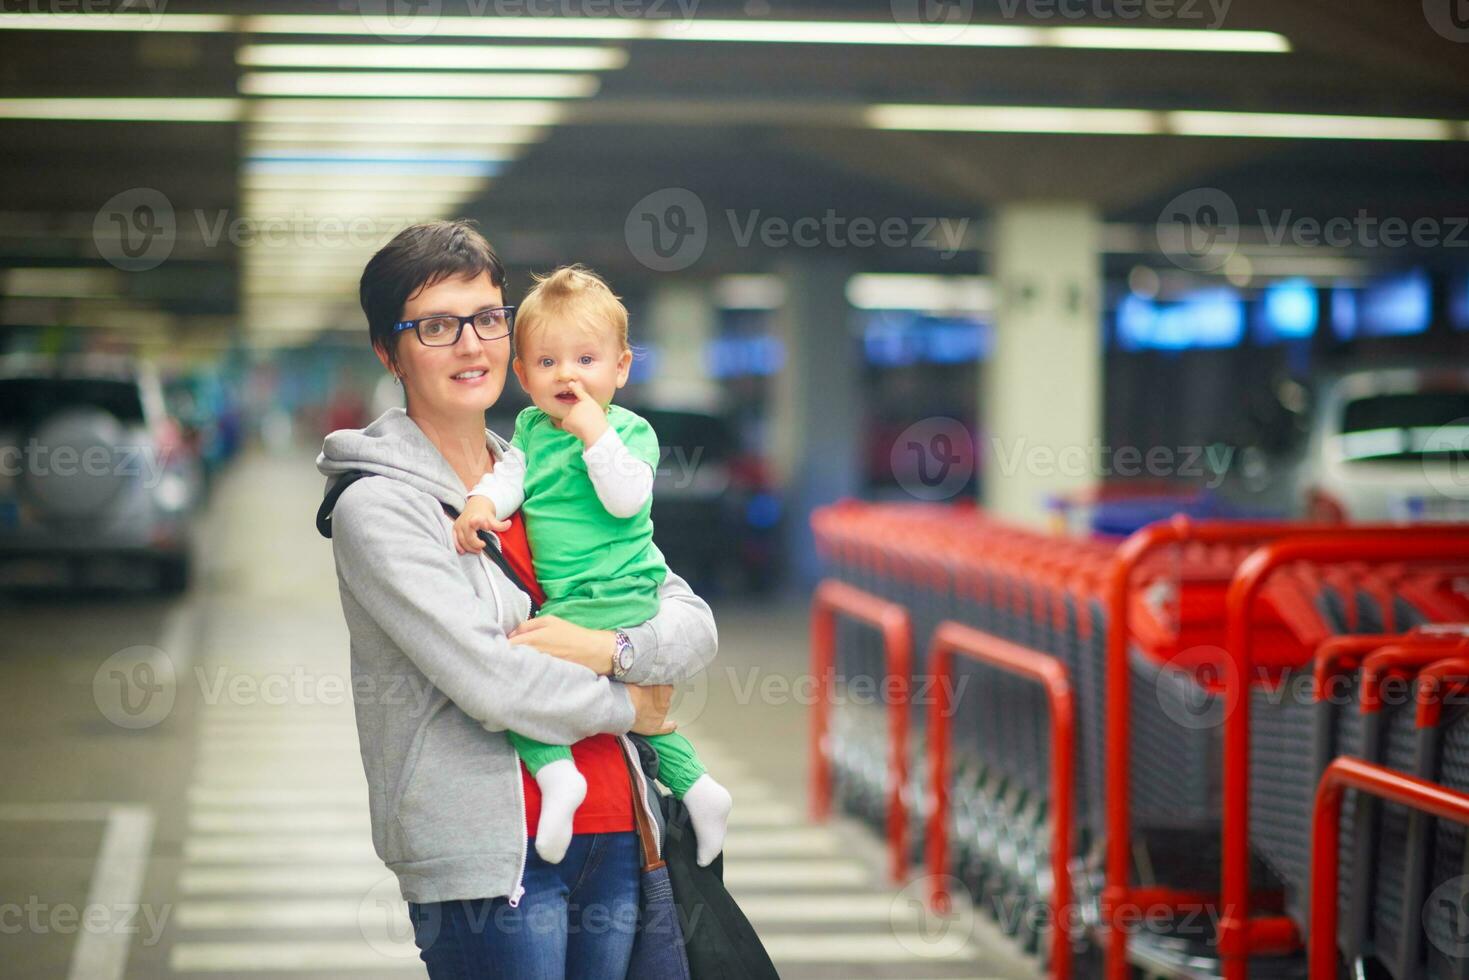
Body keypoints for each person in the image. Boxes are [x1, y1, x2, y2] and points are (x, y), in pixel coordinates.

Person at [316, 218, 718, 980]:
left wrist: (616, 650)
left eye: (486, 318)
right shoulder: (379, 507)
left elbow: (688, 620)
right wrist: (631, 704)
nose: (471, 344)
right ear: (387, 351)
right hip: (490, 863)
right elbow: (488, 680)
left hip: (616, 826)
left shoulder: (544, 464)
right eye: (436, 325)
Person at [451, 265, 733, 869]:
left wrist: (594, 434)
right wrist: (480, 504)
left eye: (586, 359)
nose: (568, 376)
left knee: (522, 674)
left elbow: (626, 498)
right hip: (574, 600)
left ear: (621, 368)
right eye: (548, 363)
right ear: (522, 375)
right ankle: (701, 791)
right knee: (641, 718)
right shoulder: (529, 429)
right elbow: (508, 479)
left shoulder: (630, 432)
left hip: (620, 594)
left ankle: (558, 778)